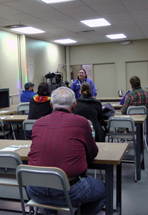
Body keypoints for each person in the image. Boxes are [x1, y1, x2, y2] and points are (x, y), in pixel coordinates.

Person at [27, 87, 105, 215]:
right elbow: (92, 153)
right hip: (70, 190)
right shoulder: (82, 122)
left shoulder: (38, 123)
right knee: (103, 190)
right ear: (74, 105)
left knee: (47, 184)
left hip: (35, 189)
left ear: (51, 104)